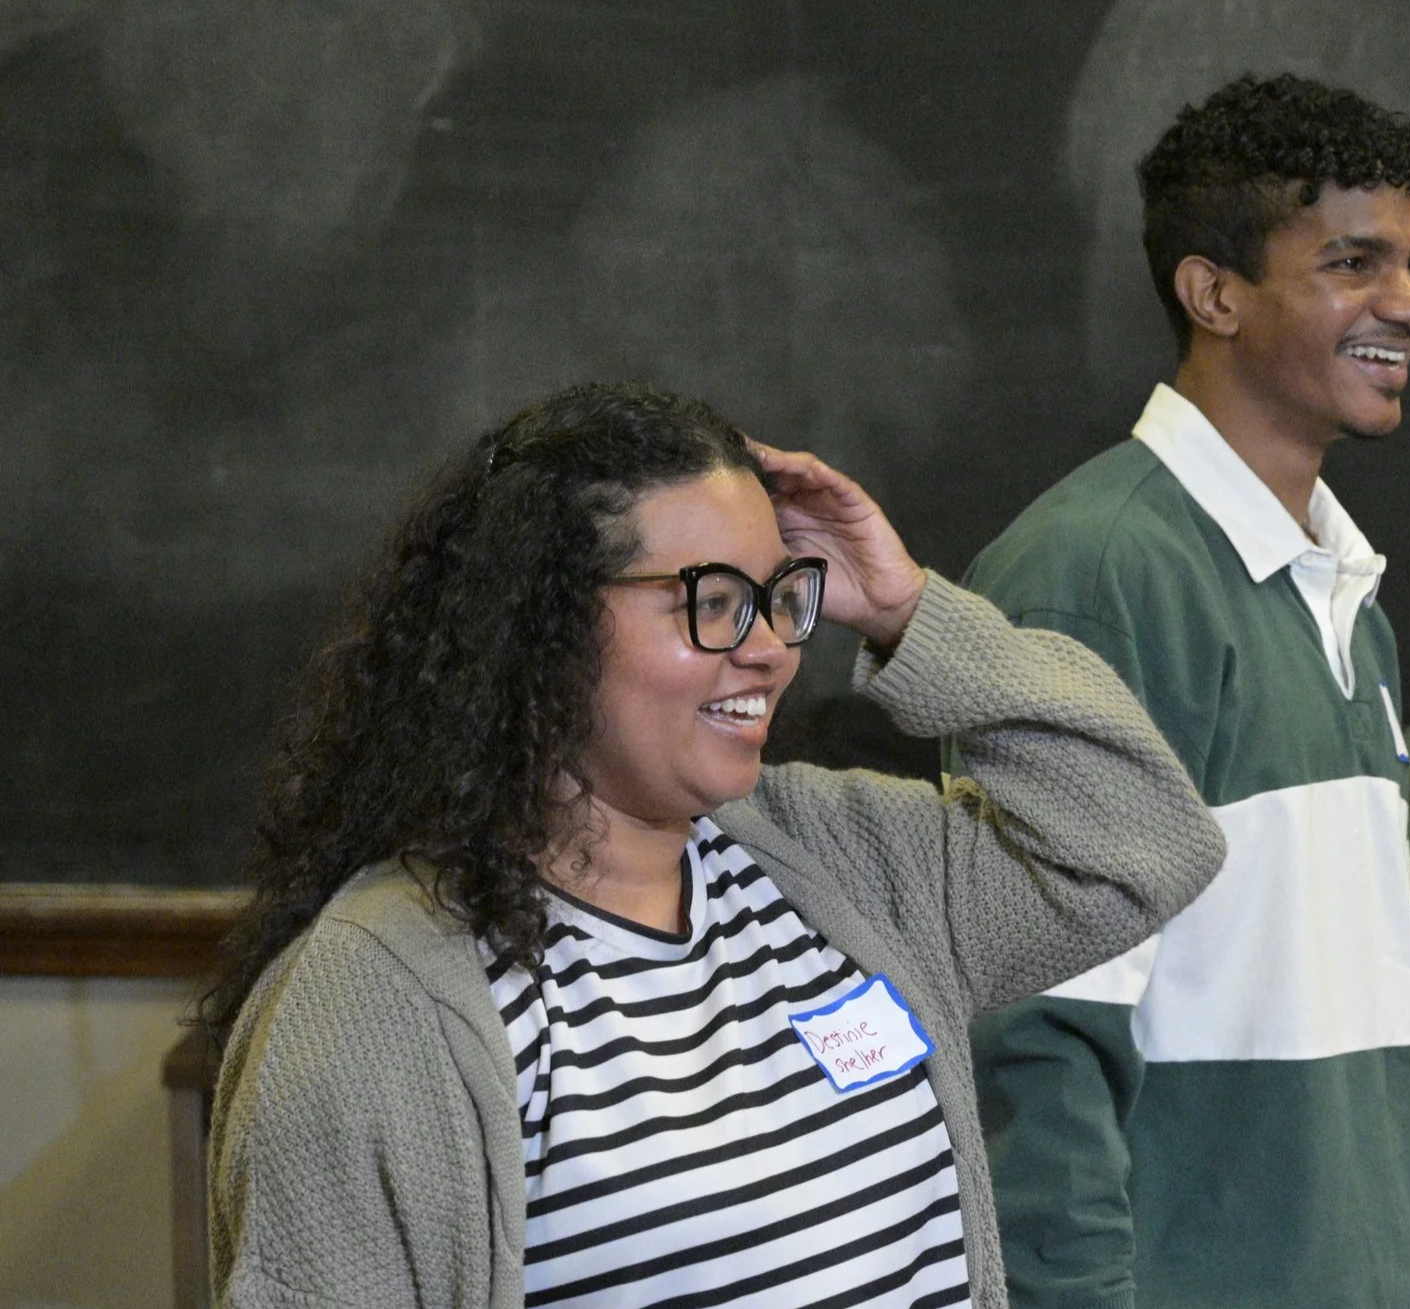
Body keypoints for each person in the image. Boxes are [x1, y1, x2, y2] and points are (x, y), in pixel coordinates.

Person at [203, 382, 1226, 1309]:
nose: (772, 648)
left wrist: (904, 607)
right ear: (546, 624)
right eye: (715, 601)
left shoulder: (836, 859)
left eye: (782, 597)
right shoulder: (381, 994)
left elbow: (1146, 837)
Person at [957, 75, 1410, 1308]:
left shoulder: (1339, 593)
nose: (1406, 304)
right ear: (1212, 293)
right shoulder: (1095, 579)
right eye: (1352, 263)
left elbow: (1376, 1042)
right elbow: (1034, 1042)